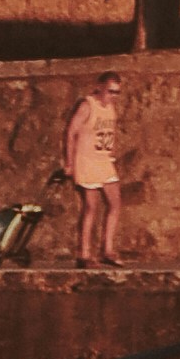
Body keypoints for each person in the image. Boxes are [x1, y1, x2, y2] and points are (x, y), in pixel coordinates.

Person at [61, 79, 121, 267]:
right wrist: (69, 162)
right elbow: (71, 132)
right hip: (86, 161)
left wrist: (111, 153)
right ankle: (84, 254)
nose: (113, 96)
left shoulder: (110, 108)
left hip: (103, 161)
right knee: (90, 207)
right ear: (100, 87)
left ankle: (107, 250)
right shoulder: (87, 106)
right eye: (110, 91)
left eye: (116, 92)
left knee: (115, 203)